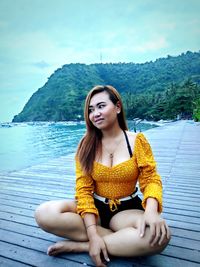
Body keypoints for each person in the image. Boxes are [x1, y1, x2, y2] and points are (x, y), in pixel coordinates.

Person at [35, 85, 171, 267]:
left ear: (117, 107)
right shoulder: (86, 145)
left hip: (127, 209)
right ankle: (113, 240)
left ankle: (81, 246)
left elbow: (151, 179)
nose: (95, 114)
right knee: (44, 213)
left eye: (101, 106)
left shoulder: (137, 141)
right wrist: (92, 232)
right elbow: (83, 190)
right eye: (91, 110)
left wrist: (151, 212)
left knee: (160, 236)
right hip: (95, 209)